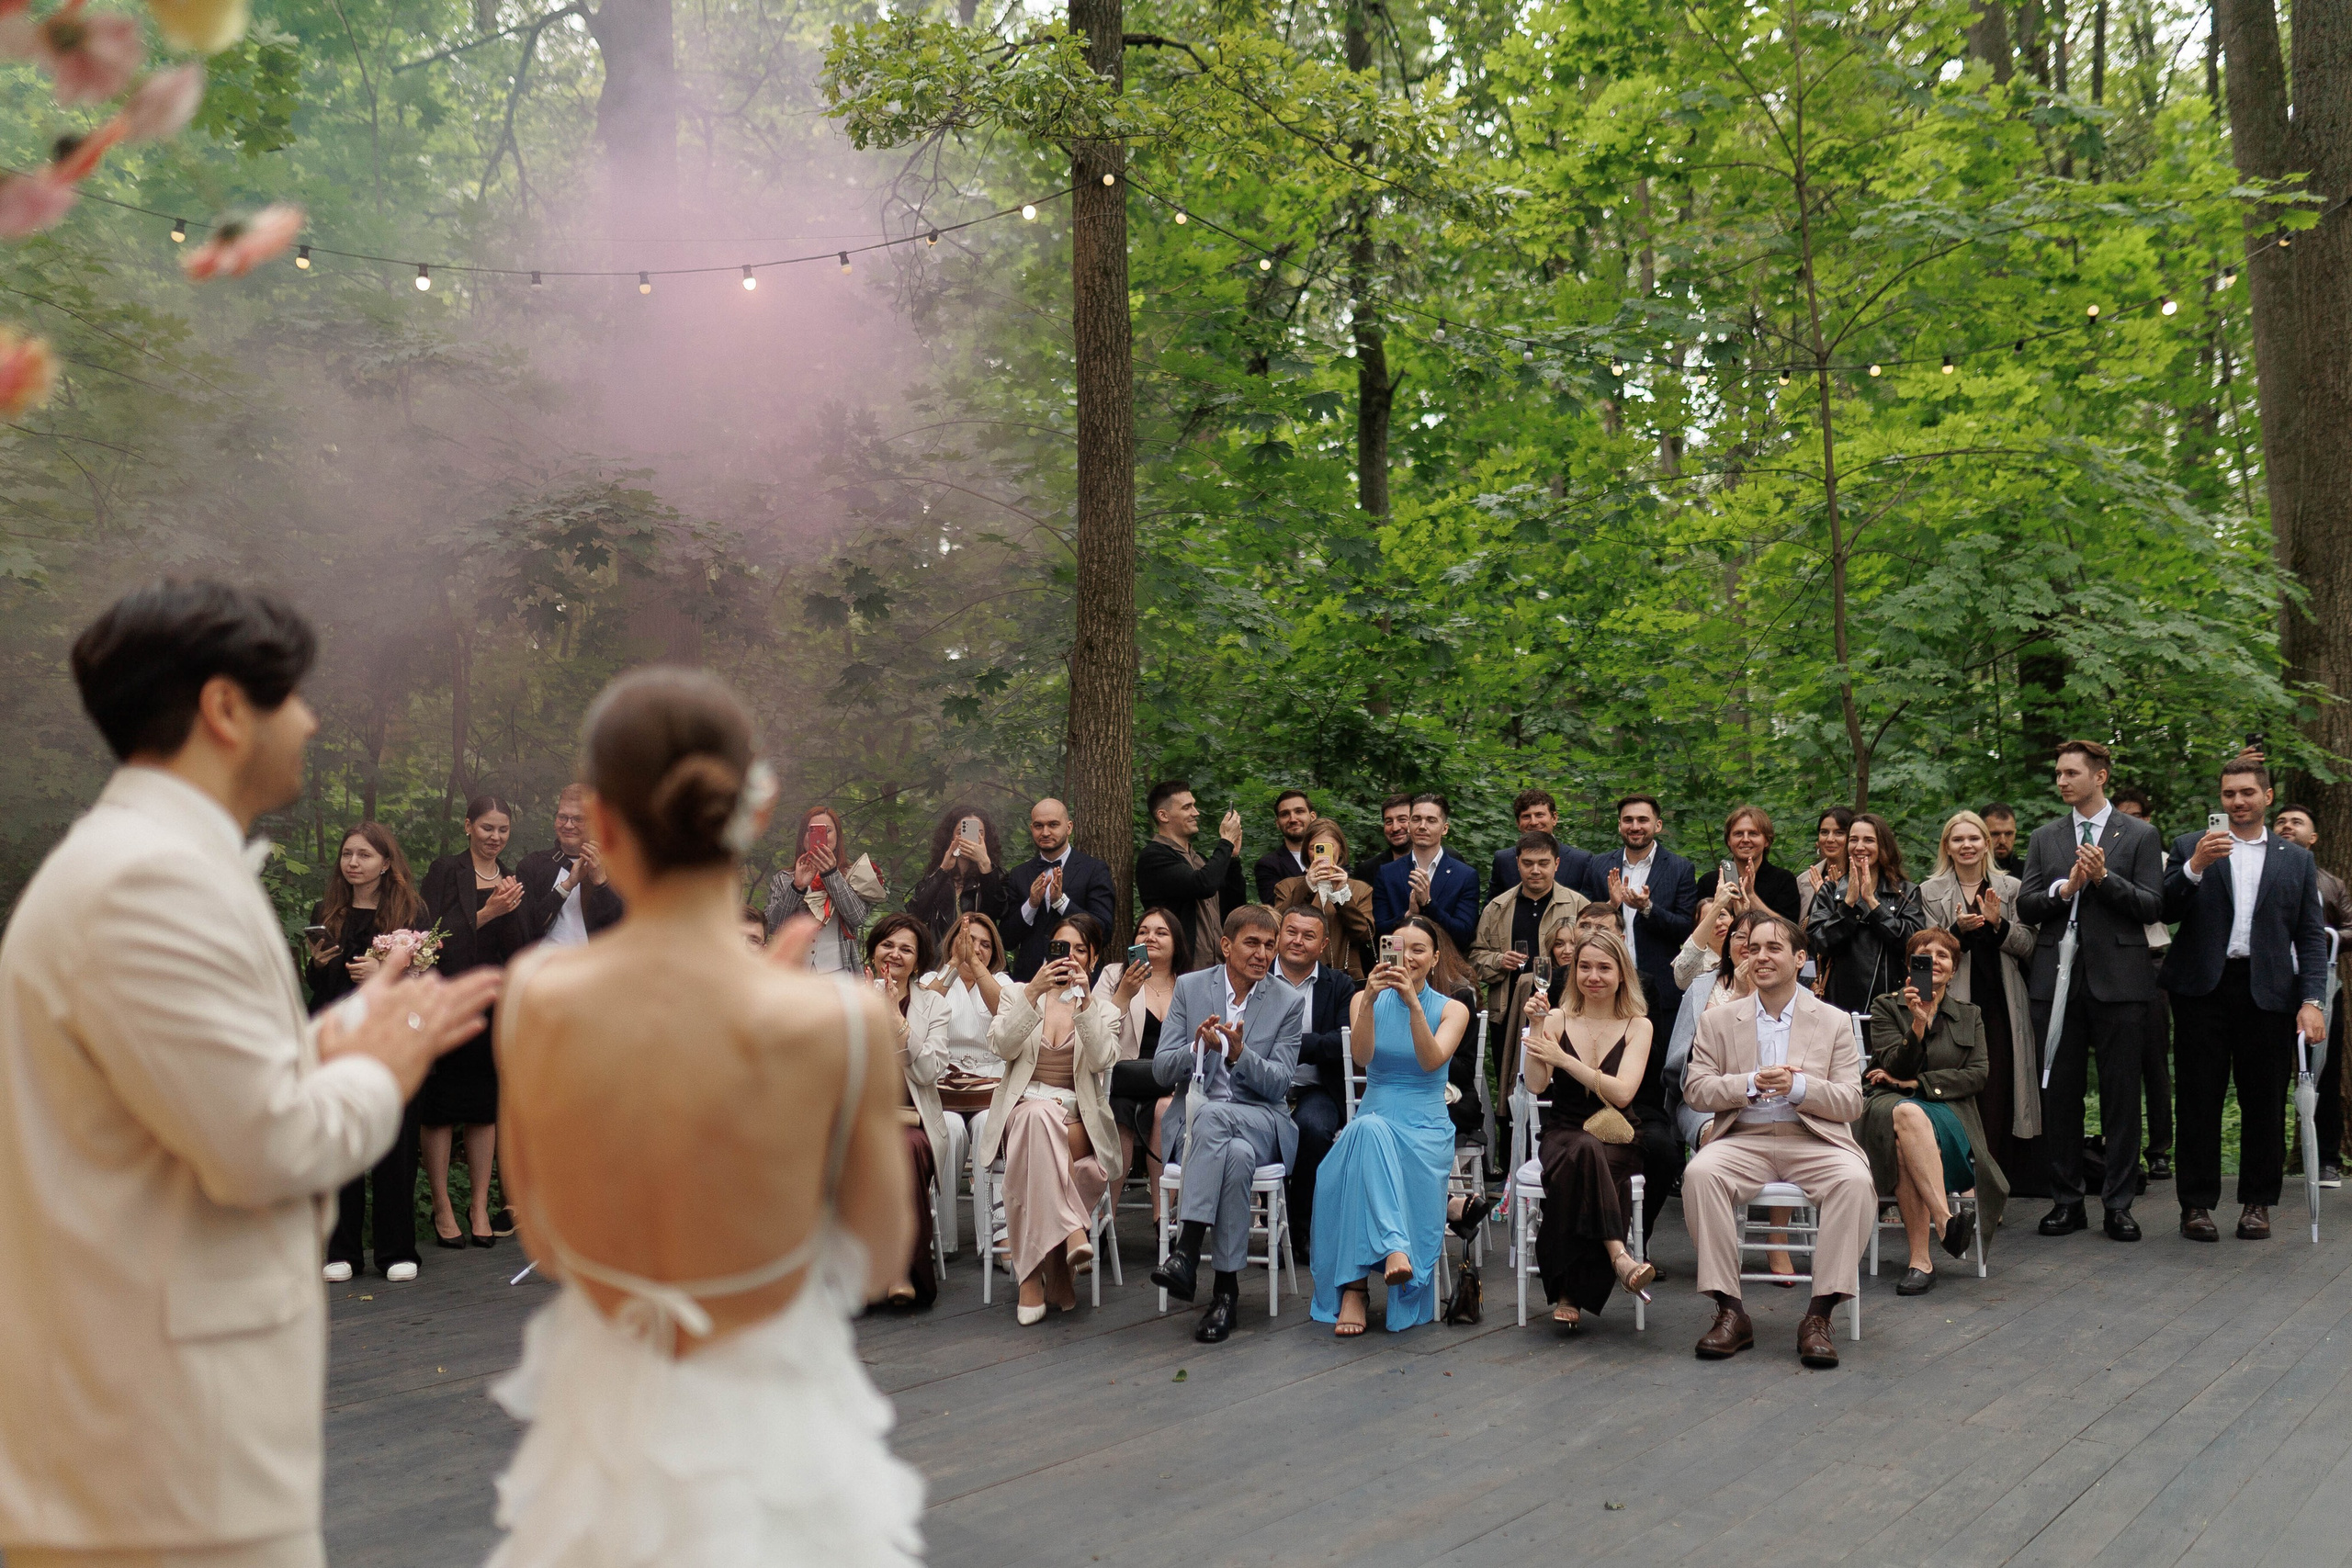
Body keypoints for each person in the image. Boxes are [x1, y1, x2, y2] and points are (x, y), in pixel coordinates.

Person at [0, 579, 497, 1568]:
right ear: (226, 709)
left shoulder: (150, 864)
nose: (310, 719)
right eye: (294, 694)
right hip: (163, 1448)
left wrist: (340, 1031)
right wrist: (380, 1068)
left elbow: (185, 1105)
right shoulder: (153, 882)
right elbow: (265, 1147)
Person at [488, 666, 922, 1565]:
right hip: (776, 1436)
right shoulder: (838, 1020)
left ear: (601, 825)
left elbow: (544, 1234)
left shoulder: (538, 993)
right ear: (753, 816)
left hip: (606, 1429)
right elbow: (881, 1257)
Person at [1680, 913, 1874, 1369]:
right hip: (1743, 1137)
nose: (1760, 956)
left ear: (1799, 958)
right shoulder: (1719, 1020)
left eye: (1773, 948)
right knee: (1700, 1173)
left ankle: (1819, 1315)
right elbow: (1696, 1090)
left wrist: (1799, 1088)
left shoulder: (1833, 1021)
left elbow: (1851, 1102)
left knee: (1854, 1181)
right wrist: (1747, 1083)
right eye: (1753, 948)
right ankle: (1730, 1312)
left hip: (1813, 1139)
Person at [2161, 759, 2331, 1243]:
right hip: (2201, 991)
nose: (2238, 802)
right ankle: (2195, 1205)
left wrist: (2312, 999)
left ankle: (2258, 1204)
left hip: (2270, 991)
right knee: (2197, 1100)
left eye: (2247, 793)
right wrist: (2195, 866)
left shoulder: (2295, 859)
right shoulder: (2190, 846)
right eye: (2229, 794)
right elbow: (2164, 908)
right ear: (2221, 799)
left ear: (2267, 797)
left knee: (2264, 1102)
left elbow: (2310, 936)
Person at [2015, 739, 2165, 1241]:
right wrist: (2066, 888)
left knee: (2123, 1096)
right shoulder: (2045, 837)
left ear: (2100, 776)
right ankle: (2066, 1201)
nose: (2061, 781)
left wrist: (2103, 879)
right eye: (2058, 773)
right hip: (2056, 979)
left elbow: (2151, 906)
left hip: (2121, 980)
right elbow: (2027, 906)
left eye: (2071, 773)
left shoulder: (2140, 835)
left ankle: (2119, 1205)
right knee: (2060, 1095)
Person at [1310, 915, 1484, 1335]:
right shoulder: (1360, 1000)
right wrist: (1369, 1001)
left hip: (1423, 1128)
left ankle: (1354, 1289)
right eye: (1399, 949)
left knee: (1364, 1139)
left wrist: (1412, 1006)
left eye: (1419, 949)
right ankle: (1391, 1251)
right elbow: (1363, 1057)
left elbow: (1430, 1061)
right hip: (1375, 1114)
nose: (1408, 958)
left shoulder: (1454, 1008)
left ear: (1435, 957)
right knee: (1366, 1134)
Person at [1148, 905, 1307, 1344]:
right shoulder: (1191, 987)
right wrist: (1197, 1048)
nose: (1262, 954)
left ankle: (1185, 1249)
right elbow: (1162, 1071)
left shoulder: (1288, 1001)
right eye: (1252, 943)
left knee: (1218, 1118)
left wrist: (1238, 1054)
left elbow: (1278, 1085)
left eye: (1269, 945)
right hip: (1200, 1130)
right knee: (1233, 1156)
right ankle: (1226, 1294)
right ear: (1226, 945)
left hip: (1261, 1120)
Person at [979, 911, 1125, 1323]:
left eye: (1082, 950)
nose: (1072, 957)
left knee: (1039, 1118)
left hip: (1077, 1124)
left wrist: (1084, 1004)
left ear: (1093, 960)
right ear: (1050, 952)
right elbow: (1002, 1047)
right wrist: (1033, 996)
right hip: (1022, 1116)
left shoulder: (1103, 1010)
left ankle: (1030, 1280)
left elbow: (1100, 1060)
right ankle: (1067, 1242)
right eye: (1064, 948)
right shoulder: (1018, 994)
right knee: (1034, 1115)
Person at [308, 822, 428, 1285]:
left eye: (363, 855)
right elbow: (320, 985)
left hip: (392, 1039)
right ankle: (342, 1250)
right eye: (346, 855)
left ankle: (398, 1249)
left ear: (386, 863)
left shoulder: (412, 911)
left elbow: (428, 979)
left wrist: (386, 971)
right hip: (339, 1037)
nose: (352, 863)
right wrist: (317, 965)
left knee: (394, 1143)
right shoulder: (329, 910)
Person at [1524, 928, 1658, 1329]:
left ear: (1622, 975)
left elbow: (1622, 1094)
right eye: (1584, 967)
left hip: (1619, 1134)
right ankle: (1620, 1256)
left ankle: (1567, 1291)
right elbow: (1535, 1084)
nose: (1593, 976)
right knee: (1583, 1150)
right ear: (1573, 972)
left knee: (1588, 1156)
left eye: (1604, 968)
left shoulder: (1639, 1025)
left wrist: (1565, 1060)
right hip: (1563, 1130)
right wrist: (1535, 1025)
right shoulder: (1557, 1018)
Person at [1862, 930, 2008, 1295]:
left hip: (1950, 1112)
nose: (1935, 961)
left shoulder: (1969, 1014)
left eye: (1943, 955)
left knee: (1906, 1132)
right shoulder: (1885, 1006)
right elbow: (1893, 1062)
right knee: (1908, 1117)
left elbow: (1978, 1075)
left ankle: (1922, 1262)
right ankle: (1945, 1226)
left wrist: (1915, 1086)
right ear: (1911, 965)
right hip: (1887, 1108)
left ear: (1954, 969)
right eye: (1924, 955)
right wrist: (1917, 1023)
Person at [419, 794, 535, 1248]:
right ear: (468, 826)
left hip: (492, 1003)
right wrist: (487, 914)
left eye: (503, 830)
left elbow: (520, 945)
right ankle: (444, 1207)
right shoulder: (446, 871)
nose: (495, 837)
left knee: (485, 1108)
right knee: (442, 1107)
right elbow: (430, 937)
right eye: (487, 828)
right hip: (449, 997)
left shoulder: (512, 879)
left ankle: (480, 1206)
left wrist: (509, 916)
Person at [1918, 809, 2043, 1197]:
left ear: (1987, 844)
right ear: (1947, 847)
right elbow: (1921, 959)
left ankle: (1992, 1188)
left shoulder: (2013, 888)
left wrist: (1999, 925)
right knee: (1956, 1093)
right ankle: (1956, 1182)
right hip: (1951, 1011)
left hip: (2002, 1008)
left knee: (1998, 1095)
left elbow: (2033, 948)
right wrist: (1956, 933)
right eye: (1958, 840)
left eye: (1974, 839)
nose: (1967, 845)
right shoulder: (1928, 891)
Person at [1470, 832, 1589, 1090]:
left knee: (1562, 1084)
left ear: (1557, 864)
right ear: (1517, 863)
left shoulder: (1579, 906)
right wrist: (1500, 960)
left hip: (1567, 1010)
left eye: (1543, 863)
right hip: (1510, 1010)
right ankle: (1509, 1128)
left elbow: (1599, 954)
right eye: (1528, 863)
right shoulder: (1497, 907)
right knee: (1510, 1083)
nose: (1535, 870)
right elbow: (1475, 958)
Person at [1272, 903, 1359, 1254]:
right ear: (1278, 936)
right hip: (1262, 1087)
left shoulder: (1339, 985)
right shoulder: (1257, 976)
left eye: (1309, 936)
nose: (1297, 941)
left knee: (1314, 1129)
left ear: (1323, 945)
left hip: (1315, 1088)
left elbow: (1344, 1041)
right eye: (1291, 932)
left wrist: (1291, 1044)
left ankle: (1301, 1231)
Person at [2275, 802, 2352, 1187]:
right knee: (2269, 1072)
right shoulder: (2263, 873)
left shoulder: (2331, 883)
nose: (2287, 826)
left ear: (2314, 836)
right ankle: (2269, 1159)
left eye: (2297, 821)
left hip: (2319, 985)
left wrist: (2320, 934)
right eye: (2281, 821)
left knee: (2323, 1070)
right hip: (2270, 984)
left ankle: (2327, 1159)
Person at [865, 913, 938, 1309]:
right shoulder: (848, 998)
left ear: (918, 960)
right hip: (860, 1118)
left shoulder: (934, 1006)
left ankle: (900, 1271)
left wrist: (895, 1017)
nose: (895, 954)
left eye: (906, 949)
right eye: (887, 945)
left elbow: (928, 1071)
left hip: (911, 1117)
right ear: (874, 950)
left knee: (903, 1148)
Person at [2111, 786, 2177, 1181]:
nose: (2130, 822)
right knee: (2119, 1065)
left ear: (2149, 819)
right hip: (2111, 963)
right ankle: (2123, 1152)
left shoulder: (2165, 861)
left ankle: (2160, 1150)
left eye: (2137, 815)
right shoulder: (2102, 858)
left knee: (2155, 1060)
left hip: (2153, 963)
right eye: (2122, 816)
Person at [1582, 794, 1698, 1012]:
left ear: (1658, 825)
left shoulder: (1679, 868)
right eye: (1628, 820)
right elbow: (1582, 926)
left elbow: (1686, 930)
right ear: (1619, 826)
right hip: (1604, 984)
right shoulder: (1597, 865)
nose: (1635, 826)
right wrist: (1611, 905)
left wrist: (1648, 909)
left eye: (1643, 820)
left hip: (1659, 987)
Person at [1107, 907, 1191, 1205]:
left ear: (1177, 942)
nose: (1150, 937)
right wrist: (1125, 993)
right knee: (1119, 1111)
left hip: (1173, 1083)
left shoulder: (1190, 985)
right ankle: (1108, 1217)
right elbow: (1095, 1031)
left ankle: (1162, 1215)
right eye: (1143, 931)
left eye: (1160, 932)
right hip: (1122, 1081)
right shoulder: (1114, 975)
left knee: (1166, 1108)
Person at [1805, 811, 1925, 1015]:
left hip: (1892, 1005)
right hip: (1838, 1005)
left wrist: (1873, 904)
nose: (1859, 847)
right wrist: (1848, 905)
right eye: (1854, 840)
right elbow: (1818, 943)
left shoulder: (1906, 893)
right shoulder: (1830, 891)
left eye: (1868, 840)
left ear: (1882, 846)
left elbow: (1914, 945)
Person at [1001, 795, 1116, 981]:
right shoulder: (1019, 874)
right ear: (1032, 829)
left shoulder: (1093, 869)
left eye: (1053, 825)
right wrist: (1031, 904)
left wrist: (1061, 902)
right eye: (1039, 826)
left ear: (1068, 827)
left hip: (1078, 978)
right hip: (1029, 980)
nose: (1045, 832)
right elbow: (1006, 939)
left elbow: (1104, 931)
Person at [1136, 778, 1246, 968]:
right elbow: (1203, 885)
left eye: (1194, 806)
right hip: (1179, 969)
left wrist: (1233, 857)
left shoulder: (1199, 860)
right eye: (1187, 807)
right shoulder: (1154, 857)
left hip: (1217, 968)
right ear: (1163, 815)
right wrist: (1225, 841)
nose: (1196, 813)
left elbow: (1235, 905)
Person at [762, 806, 872, 971]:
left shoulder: (851, 874)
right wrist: (797, 887)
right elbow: (772, 925)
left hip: (840, 971)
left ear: (838, 836)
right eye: (811, 831)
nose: (820, 836)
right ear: (802, 837)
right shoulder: (784, 878)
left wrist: (831, 874)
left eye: (827, 831)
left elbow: (857, 917)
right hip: (795, 972)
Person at [1373, 793, 1481, 954]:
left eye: (1431, 820)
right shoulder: (1387, 873)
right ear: (1409, 826)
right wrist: (1408, 915)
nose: (1422, 826)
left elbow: (1464, 935)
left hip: (1446, 968)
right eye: (1416, 819)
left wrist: (1428, 905)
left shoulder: (1465, 876)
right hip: (1399, 964)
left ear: (1444, 829)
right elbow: (1378, 933)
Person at [517, 784, 623, 948]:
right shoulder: (532, 866)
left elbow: (624, 930)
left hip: (597, 968)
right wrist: (566, 886)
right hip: (547, 968)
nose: (568, 825)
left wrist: (601, 883)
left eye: (578, 819)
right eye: (562, 817)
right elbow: (526, 929)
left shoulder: (617, 867)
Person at [1271, 817, 1375, 978]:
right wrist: (1307, 887)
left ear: (1340, 849)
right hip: (1296, 975)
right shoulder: (1287, 887)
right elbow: (1277, 927)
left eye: (1328, 847)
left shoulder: (1360, 890)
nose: (1320, 854)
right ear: (1306, 851)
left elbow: (1364, 935)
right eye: (1314, 848)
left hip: (1346, 978)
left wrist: (1342, 895)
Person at [906, 803, 1012, 954]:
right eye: (961, 831)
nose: (969, 837)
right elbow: (914, 914)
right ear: (950, 836)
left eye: (979, 832)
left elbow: (998, 913)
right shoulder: (938, 874)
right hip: (941, 959)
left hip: (980, 958)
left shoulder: (995, 875)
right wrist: (943, 870)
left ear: (986, 837)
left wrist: (985, 867)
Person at [1692, 804, 1805, 921]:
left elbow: (1789, 930)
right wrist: (1722, 904)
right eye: (1738, 834)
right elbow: (1697, 929)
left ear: (1766, 840)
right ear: (1728, 841)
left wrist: (1751, 895)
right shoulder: (1709, 882)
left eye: (1753, 833)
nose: (1745, 839)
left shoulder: (1783, 880)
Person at [1487, 788, 1593, 906]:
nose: (1533, 822)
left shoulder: (1580, 861)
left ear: (1554, 818)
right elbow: (1493, 907)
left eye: (1539, 815)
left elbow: (1589, 910)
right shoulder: (1503, 860)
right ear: (1518, 823)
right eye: (1526, 816)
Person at [1254, 787, 1317, 903]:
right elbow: (1275, 910)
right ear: (1278, 823)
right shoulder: (1268, 865)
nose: (1293, 819)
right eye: (1285, 814)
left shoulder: (1334, 855)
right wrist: (1307, 883)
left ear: (1312, 817)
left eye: (1299, 811)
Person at [1794, 807, 1854, 911]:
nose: (1830, 839)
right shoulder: (1803, 881)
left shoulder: (1864, 879)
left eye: (1839, 832)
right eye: (1824, 832)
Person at [1352, 792, 1414, 886]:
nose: (1395, 828)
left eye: (1402, 820)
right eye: (1389, 822)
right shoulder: (1367, 871)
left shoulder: (1438, 865)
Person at [1982, 803, 2025, 876]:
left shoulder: (2027, 873)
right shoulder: (1968, 872)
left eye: (2008, 834)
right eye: (1995, 834)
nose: (2002, 841)